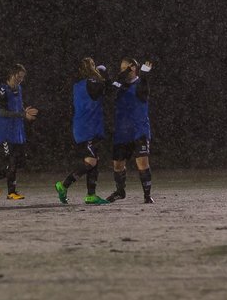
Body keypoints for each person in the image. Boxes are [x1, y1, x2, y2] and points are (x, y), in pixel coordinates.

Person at [55, 57, 110, 205]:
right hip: (88, 128)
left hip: (86, 126)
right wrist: (108, 75)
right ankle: (64, 184)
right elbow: (108, 88)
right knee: (91, 161)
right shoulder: (91, 84)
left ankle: (91, 195)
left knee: (94, 161)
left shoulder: (78, 85)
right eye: (92, 65)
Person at [107, 58, 154, 204]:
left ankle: (147, 195)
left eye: (125, 68)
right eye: (121, 68)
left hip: (139, 130)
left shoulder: (141, 83)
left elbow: (143, 92)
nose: (122, 70)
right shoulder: (119, 85)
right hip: (122, 131)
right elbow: (110, 93)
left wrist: (145, 76)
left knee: (142, 163)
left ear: (133, 69)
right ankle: (120, 192)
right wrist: (122, 74)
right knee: (118, 165)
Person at [0, 63, 37, 200]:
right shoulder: (3, 89)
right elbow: (2, 112)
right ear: (12, 74)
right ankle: (11, 192)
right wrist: (22, 115)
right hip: (5, 131)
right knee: (12, 162)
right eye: (19, 76)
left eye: (22, 78)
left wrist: (24, 111)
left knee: (21, 162)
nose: (20, 80)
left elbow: (19, 106)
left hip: (18, 131)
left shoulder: (19, 88)